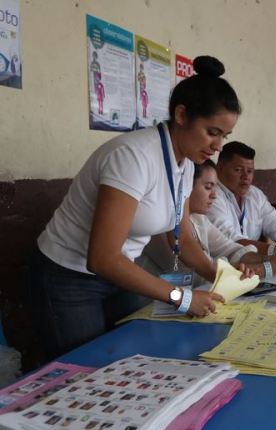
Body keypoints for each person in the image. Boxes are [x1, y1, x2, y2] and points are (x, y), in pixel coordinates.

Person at [29, 56, 242, 357]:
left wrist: (220, 279)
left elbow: (181, 235)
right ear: (182, 115)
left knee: (134, 353)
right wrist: (181, 297)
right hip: (70, 277)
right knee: (85, 371)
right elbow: (102, 258)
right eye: (213, 132)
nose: (219, 146)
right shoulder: (134, 157)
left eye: (225, 136)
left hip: (122, 273)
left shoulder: (183, 162)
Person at [141, 160, 276, 284]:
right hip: (150, 310)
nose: (214, 195)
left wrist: (272, 259)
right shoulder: (161, 227)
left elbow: (231, 250)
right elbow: (199, 276)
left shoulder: (198, 218)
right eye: (208, 187)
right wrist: (266, 269)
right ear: (185, 187)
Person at [206, 141, 276, 261]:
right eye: (238, 170)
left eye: (250, 171)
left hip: (252, 265)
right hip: (221, 270)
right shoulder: (210, 196)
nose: (246, 177)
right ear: (220, 167)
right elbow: (232, 242)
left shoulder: (254, 195)